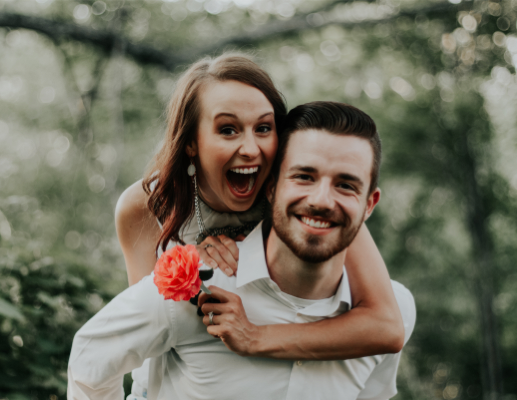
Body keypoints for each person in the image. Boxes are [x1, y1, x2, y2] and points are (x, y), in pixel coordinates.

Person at [68, 101, 416, 400]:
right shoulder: (195, 290)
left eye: (345, 184)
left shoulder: (394, 309)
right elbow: (90, 361)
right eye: (304, 177)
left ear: (370, 204)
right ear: (271, 187)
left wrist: (257, 337)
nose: (322, 200)